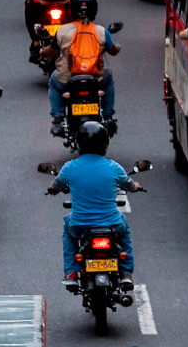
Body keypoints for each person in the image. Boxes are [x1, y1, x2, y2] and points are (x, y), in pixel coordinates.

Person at [47, 121, 140, 289]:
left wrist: (53, 190)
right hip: (112, 224)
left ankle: (72, 272)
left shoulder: (70, 167)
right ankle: (126, 273)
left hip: (80, 226)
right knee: (124, 228)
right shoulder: (114, 167)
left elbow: (56, 185)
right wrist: (136, 187)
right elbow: (129, 185)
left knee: (67, 228)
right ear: (105, 143)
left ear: (78, 143)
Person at [41, 0, 120, 134]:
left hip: (67, 79)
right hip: (95, 79)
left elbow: (50, 52)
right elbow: (113, 51)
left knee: (53, 80)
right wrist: (116, 47)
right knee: (109, 78)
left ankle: (58, 119)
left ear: (71, 9)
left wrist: (41, 52)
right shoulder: (102, 31)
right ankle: (108, 116)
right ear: (94, 9)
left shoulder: (62, 31)